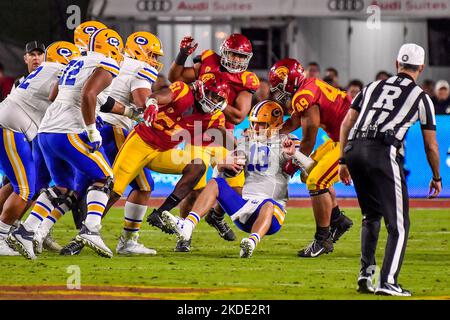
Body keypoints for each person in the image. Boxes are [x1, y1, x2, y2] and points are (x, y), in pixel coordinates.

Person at [8, 29, 124, 260]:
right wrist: (92, 131)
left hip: (46, 131)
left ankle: (27, 230)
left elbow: (53, 95)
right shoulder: (106, 62)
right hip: (67, 130)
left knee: (62, 187)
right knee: (105, 177)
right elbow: (89, 95)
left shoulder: (76, 61)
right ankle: (91, 229)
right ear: (110, 47)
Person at [339, 43, 442, 296]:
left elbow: (346, 124)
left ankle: (366, 274)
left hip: (354, 148)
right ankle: (388, 282)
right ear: (421, 67)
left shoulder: (370, 87)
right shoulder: (421, 97)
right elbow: (430, 145)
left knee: (370, 216)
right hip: (383, 151)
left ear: (397, 64)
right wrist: (437, 176)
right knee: (399, 224)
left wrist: (343, 160)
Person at [55, 31, 163, 257]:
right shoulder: (140, 69)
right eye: (152, 54)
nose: (154, 60)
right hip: (116, 129)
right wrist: (156, 105)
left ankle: (41, 227)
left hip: (95, 125)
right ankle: (94, 235)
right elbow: (142, 101)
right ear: (139, 50)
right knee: (125, 185)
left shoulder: (116, 61)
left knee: (84, 184)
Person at [161, 100, 313, 258]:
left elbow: (309, 172)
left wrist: (294, 154)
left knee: (268, 204)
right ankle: (187, 226)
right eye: (253, 124)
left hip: (273, 215)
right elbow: (225, 176)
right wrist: (221, 167)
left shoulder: (288, 142)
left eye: (260, 124)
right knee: (215, 182)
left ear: (274, 124)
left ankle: (251, 242)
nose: (255, 128)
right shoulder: (246, 144)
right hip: (244, 209)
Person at [107, 75, 232, 244]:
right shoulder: (183, 91)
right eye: (212, 95)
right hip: (140, 143)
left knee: (198, 166)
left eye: (218, 98)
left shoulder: (215, 118)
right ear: (202, 89)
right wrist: (152, 103)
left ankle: (160, 213)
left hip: (163, 152)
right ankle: (87, 229)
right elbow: (158, 96)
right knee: (114, 191)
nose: (214, 101)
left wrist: (240, 151)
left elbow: (225, 137)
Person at [167, 33, 260, 251]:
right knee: (193, 190)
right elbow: (175, 77)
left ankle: (216, 217)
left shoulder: (246, 80)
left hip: (222, 137)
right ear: (224, 52)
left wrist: (212, 99)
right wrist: (182, 55)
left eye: (241, 57)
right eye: (233, 55)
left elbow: (238, 116)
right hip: (196, 132)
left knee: (236, 192)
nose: (236, 60)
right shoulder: (208, 61)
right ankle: (184, 236)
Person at [0, 41, 80, 257]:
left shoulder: (44, 71)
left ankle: (12, 231)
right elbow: (58, 99)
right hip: (12, 129)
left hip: (20, 131)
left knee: (25, 186)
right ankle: (2, 236)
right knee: (24, 189)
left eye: (39, 54)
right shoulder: (58, 71)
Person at [268, 58, 353, 258]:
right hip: (339, 137)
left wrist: (290, 167)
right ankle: (338, 220)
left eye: (280, 85)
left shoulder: (303, 95)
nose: (278, 90)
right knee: (310, 175)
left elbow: (307, 141)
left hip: (352, 140)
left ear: (289, 80)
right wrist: (269, 132)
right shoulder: (306, 88)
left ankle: (322, 239)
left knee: (317, 181)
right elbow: (295, 121)